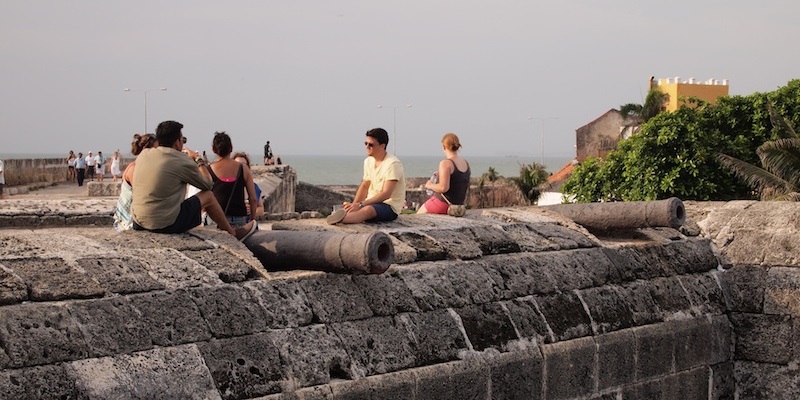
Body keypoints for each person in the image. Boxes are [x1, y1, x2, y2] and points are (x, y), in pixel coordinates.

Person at [131, 120, 256, 241]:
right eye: (182, 139)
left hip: (138, 222)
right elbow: (208, 184)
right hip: (165, 224)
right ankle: (232, 232)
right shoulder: (181, 160)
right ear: (177, 142)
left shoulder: (144, 154)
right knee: (208, 196)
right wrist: (197, 159)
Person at [327, 127, 405, 225]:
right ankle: (344, 216)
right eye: (366, 143)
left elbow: (386, 194)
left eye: (371, 145)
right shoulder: (368, 161)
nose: (367, 147)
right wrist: (353, 205)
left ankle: (341, 219)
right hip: (371, 202)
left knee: (368, 210)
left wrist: (360, 204)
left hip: (389, 206)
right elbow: (365, 185)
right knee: (359, 208)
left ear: (382, 146)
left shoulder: (393, 164)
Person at [207, 132, 258, 227]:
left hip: (215, 218)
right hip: (238, 218)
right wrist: (253, 219)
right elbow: (253, 199)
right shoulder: (243, 169)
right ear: (231, 148)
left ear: (213, 150)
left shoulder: (208, 170)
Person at [416, 133, 471, 214]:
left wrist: (429, 185)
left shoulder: (445, 163)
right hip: (459, 205)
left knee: (419, 214)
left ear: (444, 147)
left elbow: (443, 188)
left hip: (444, 204)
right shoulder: (465, 163)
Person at [114, 134, 157, 231]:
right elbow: (142, 194)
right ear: (146, 149)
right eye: (156, 149)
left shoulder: (142, 167)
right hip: (128, 219)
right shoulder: (134, 168)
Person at [233, 151, 265, 219]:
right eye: (237, 164)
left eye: (243, 165)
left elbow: (261, 209)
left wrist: (252, 210)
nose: (241, 168)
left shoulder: (254, 187)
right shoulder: (228, 186)